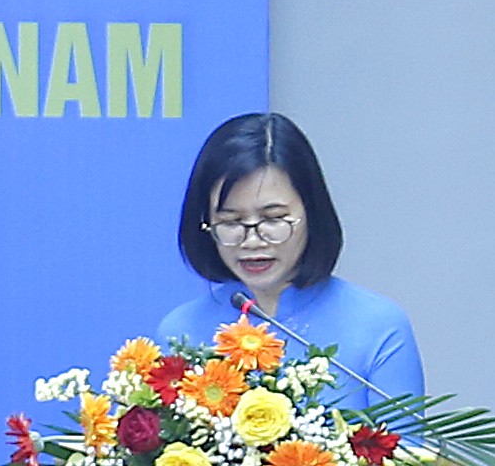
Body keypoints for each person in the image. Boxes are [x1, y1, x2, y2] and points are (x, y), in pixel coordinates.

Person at [152, 112, 422, 408]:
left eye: (273, 218)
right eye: (230, 222)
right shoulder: (181, 333)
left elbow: (403, 439)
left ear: (311, 213)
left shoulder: (379, 327)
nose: (252, 240)